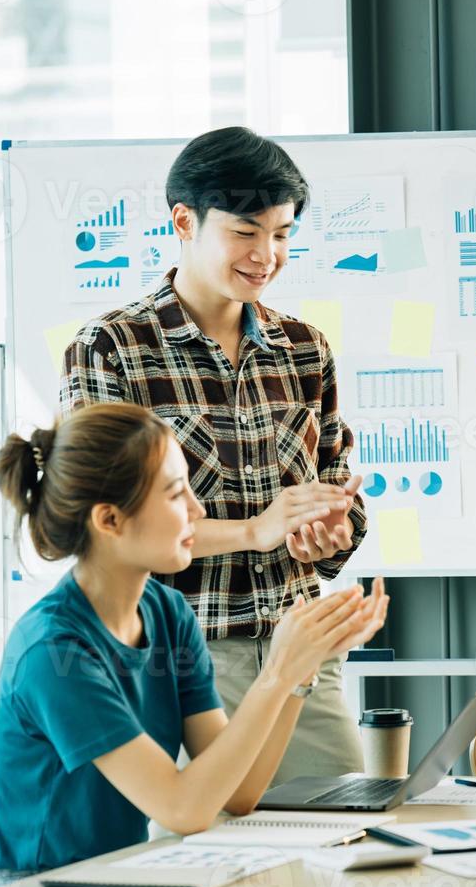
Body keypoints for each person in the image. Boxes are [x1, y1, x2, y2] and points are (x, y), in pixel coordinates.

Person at [0, 403, 387, 887]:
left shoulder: (166, 612)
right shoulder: (54, 650)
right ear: (109, 520)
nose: (195, 509)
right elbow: (184, 808)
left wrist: (297, 673)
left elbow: (236, 793)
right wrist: (276, 672)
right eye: (173, 494)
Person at [60, 126, 371, 782]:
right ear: (185, 221)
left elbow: (339, 497)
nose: (268, 254)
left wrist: (329, 532)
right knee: (199, 855)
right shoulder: (111, 350)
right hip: (179, 654)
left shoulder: (305, 349)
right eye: (246, 231)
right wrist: (258, 532)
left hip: (299, 646)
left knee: (343, 832)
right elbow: (105, 526)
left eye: (283, 234)